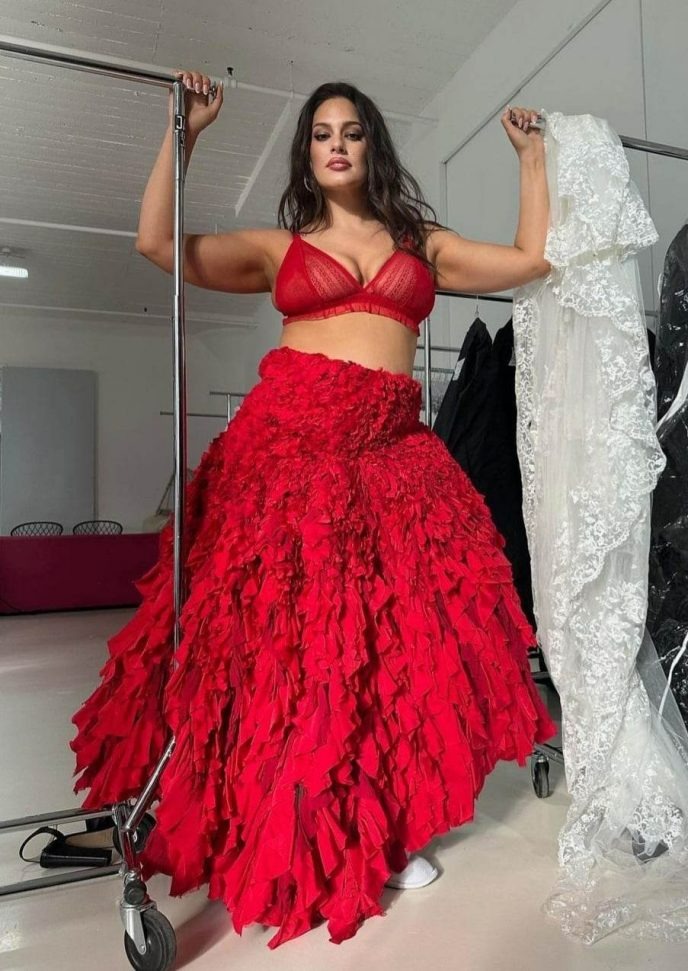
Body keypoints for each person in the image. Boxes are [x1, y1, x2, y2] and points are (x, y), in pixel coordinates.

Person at [70, 71, 556, 948]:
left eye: (352, 131)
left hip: (392, 459)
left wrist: (530, 160)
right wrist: (185, 135)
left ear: (372, 146)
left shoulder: (421, 243)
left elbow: (529, 261)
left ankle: (384, 827)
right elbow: (155, 243)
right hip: (290, 458)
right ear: (307, 155)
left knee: (393, 647)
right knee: (294, 654)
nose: (337, 143)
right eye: (322, 133)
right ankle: (299, 827)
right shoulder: (278, 247)